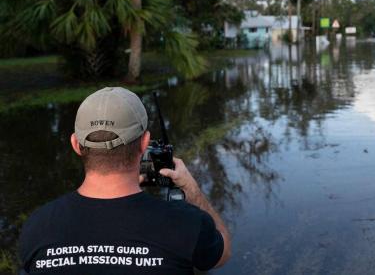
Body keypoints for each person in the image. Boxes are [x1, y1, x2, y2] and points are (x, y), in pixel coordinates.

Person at [19, 87, 232, 274]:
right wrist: (192, 190)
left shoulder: (37, 227)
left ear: (76, 144)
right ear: (144, 143)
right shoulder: (186, 224)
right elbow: (222, 253)